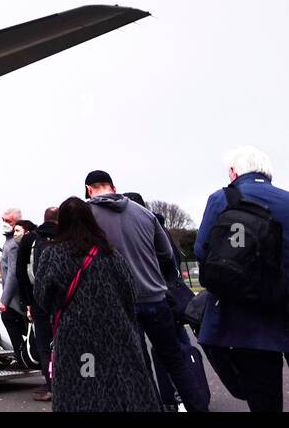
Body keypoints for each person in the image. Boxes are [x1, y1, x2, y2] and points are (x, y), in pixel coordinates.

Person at [84, 170, 209, 412]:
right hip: (156, 298)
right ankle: (197, 407)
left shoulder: (88, 217)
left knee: (137, 366)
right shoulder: (143, 213)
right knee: (175, 360)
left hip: (119, 303)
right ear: (113, 186)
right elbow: (166, 254)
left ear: (89, 189)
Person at [34, 197, 160, 412]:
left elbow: (42, 297)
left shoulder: (52, 255)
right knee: (119, 389)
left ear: (61, 222)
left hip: (74, 336)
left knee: (80, 390)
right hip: (116, 333)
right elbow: (130, 293)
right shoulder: (110, 254)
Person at [195, 145, 289, 412]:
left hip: (245, 315)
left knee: (264, 398)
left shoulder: (221, 199)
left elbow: (202, 250)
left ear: (234, 171)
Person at [124, 191, 210, 412]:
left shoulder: (136, 230)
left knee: (157, 353)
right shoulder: (156, 226)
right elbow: (171, 258)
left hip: (152, 295)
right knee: (177, 350)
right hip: (166, 296)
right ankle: (189, 397)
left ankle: (169, 399)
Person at [17, 206, 59, 401]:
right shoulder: (66, 236)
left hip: (38, 298)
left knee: (44, 343)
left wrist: (27, 302)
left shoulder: (30, 239)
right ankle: (75, 379)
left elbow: (21, 273)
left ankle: (51, 384)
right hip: (63, 298)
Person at [0, 208, 28, 363]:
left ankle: (22, 356)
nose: (4, 224)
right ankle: (23, 355)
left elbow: (12, 274)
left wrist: (4, 300)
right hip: (16, 297)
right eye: (3, 220)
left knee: (8, 317)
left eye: (8, 221)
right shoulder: (10, 242)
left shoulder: (13, 245)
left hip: (17, 297)